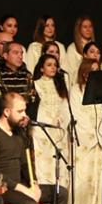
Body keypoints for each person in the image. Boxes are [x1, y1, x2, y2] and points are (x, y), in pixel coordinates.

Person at [0, 92, 68, 204]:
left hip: (21, 186)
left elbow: (26, 165)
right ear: (7, 112)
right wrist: (25, 190)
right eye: (20, 111)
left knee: (60, 192)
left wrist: (35, 186)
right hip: (4, 188)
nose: (25, 115)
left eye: (25, 110)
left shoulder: (18, 134)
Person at [70, 59, 102, 204]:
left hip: (98, 137)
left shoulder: (101, 90)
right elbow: (77, 114)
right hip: (84, 139)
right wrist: (91, 133)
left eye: (98, 69)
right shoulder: (76, 90)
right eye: (92, 70)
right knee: (83, 173)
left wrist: (100, 132)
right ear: (85, 73)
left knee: (97, 173)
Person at [31, 54, 70, 187]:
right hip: (43, 130)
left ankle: (61, 196)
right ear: (41, 68)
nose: (53, 67)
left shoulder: (61, 85)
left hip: (59, 130)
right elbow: (35, 109)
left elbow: (65, 107)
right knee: (44, 163)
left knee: (59, 163)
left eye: (55, 65)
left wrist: (62, 120)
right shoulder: (36, 84)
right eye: (49, 65)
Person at [65, 15, 96, 80]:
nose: (88, 29)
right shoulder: (72, 48)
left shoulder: (96, 47)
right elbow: (70, 72)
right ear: (79, 29)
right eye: (85, 27)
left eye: (90, 26)